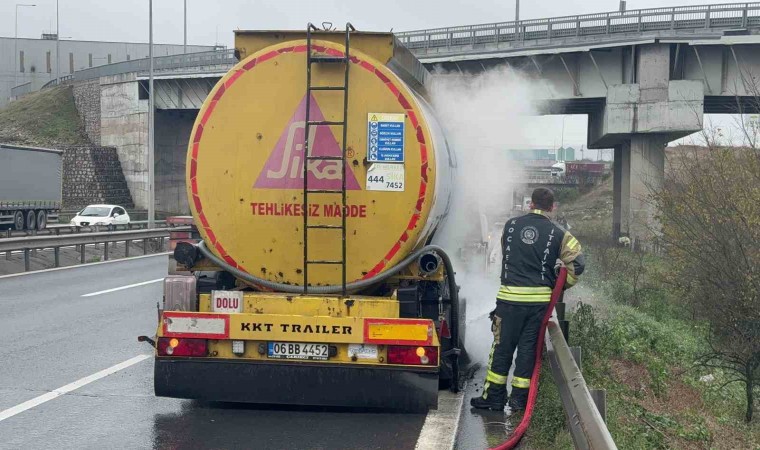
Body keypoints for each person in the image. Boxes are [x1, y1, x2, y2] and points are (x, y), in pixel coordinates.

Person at [470, 187, 585, 412]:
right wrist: (561, 286)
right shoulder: (559, 233)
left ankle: (493, 398)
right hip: (538, 305)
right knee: (527, 350)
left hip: (509, 301)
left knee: (501, 348)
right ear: (552, 207)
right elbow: (578, 264)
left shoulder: (510, 226)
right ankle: (519, 401)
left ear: (530, 204)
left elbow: (507, 253)